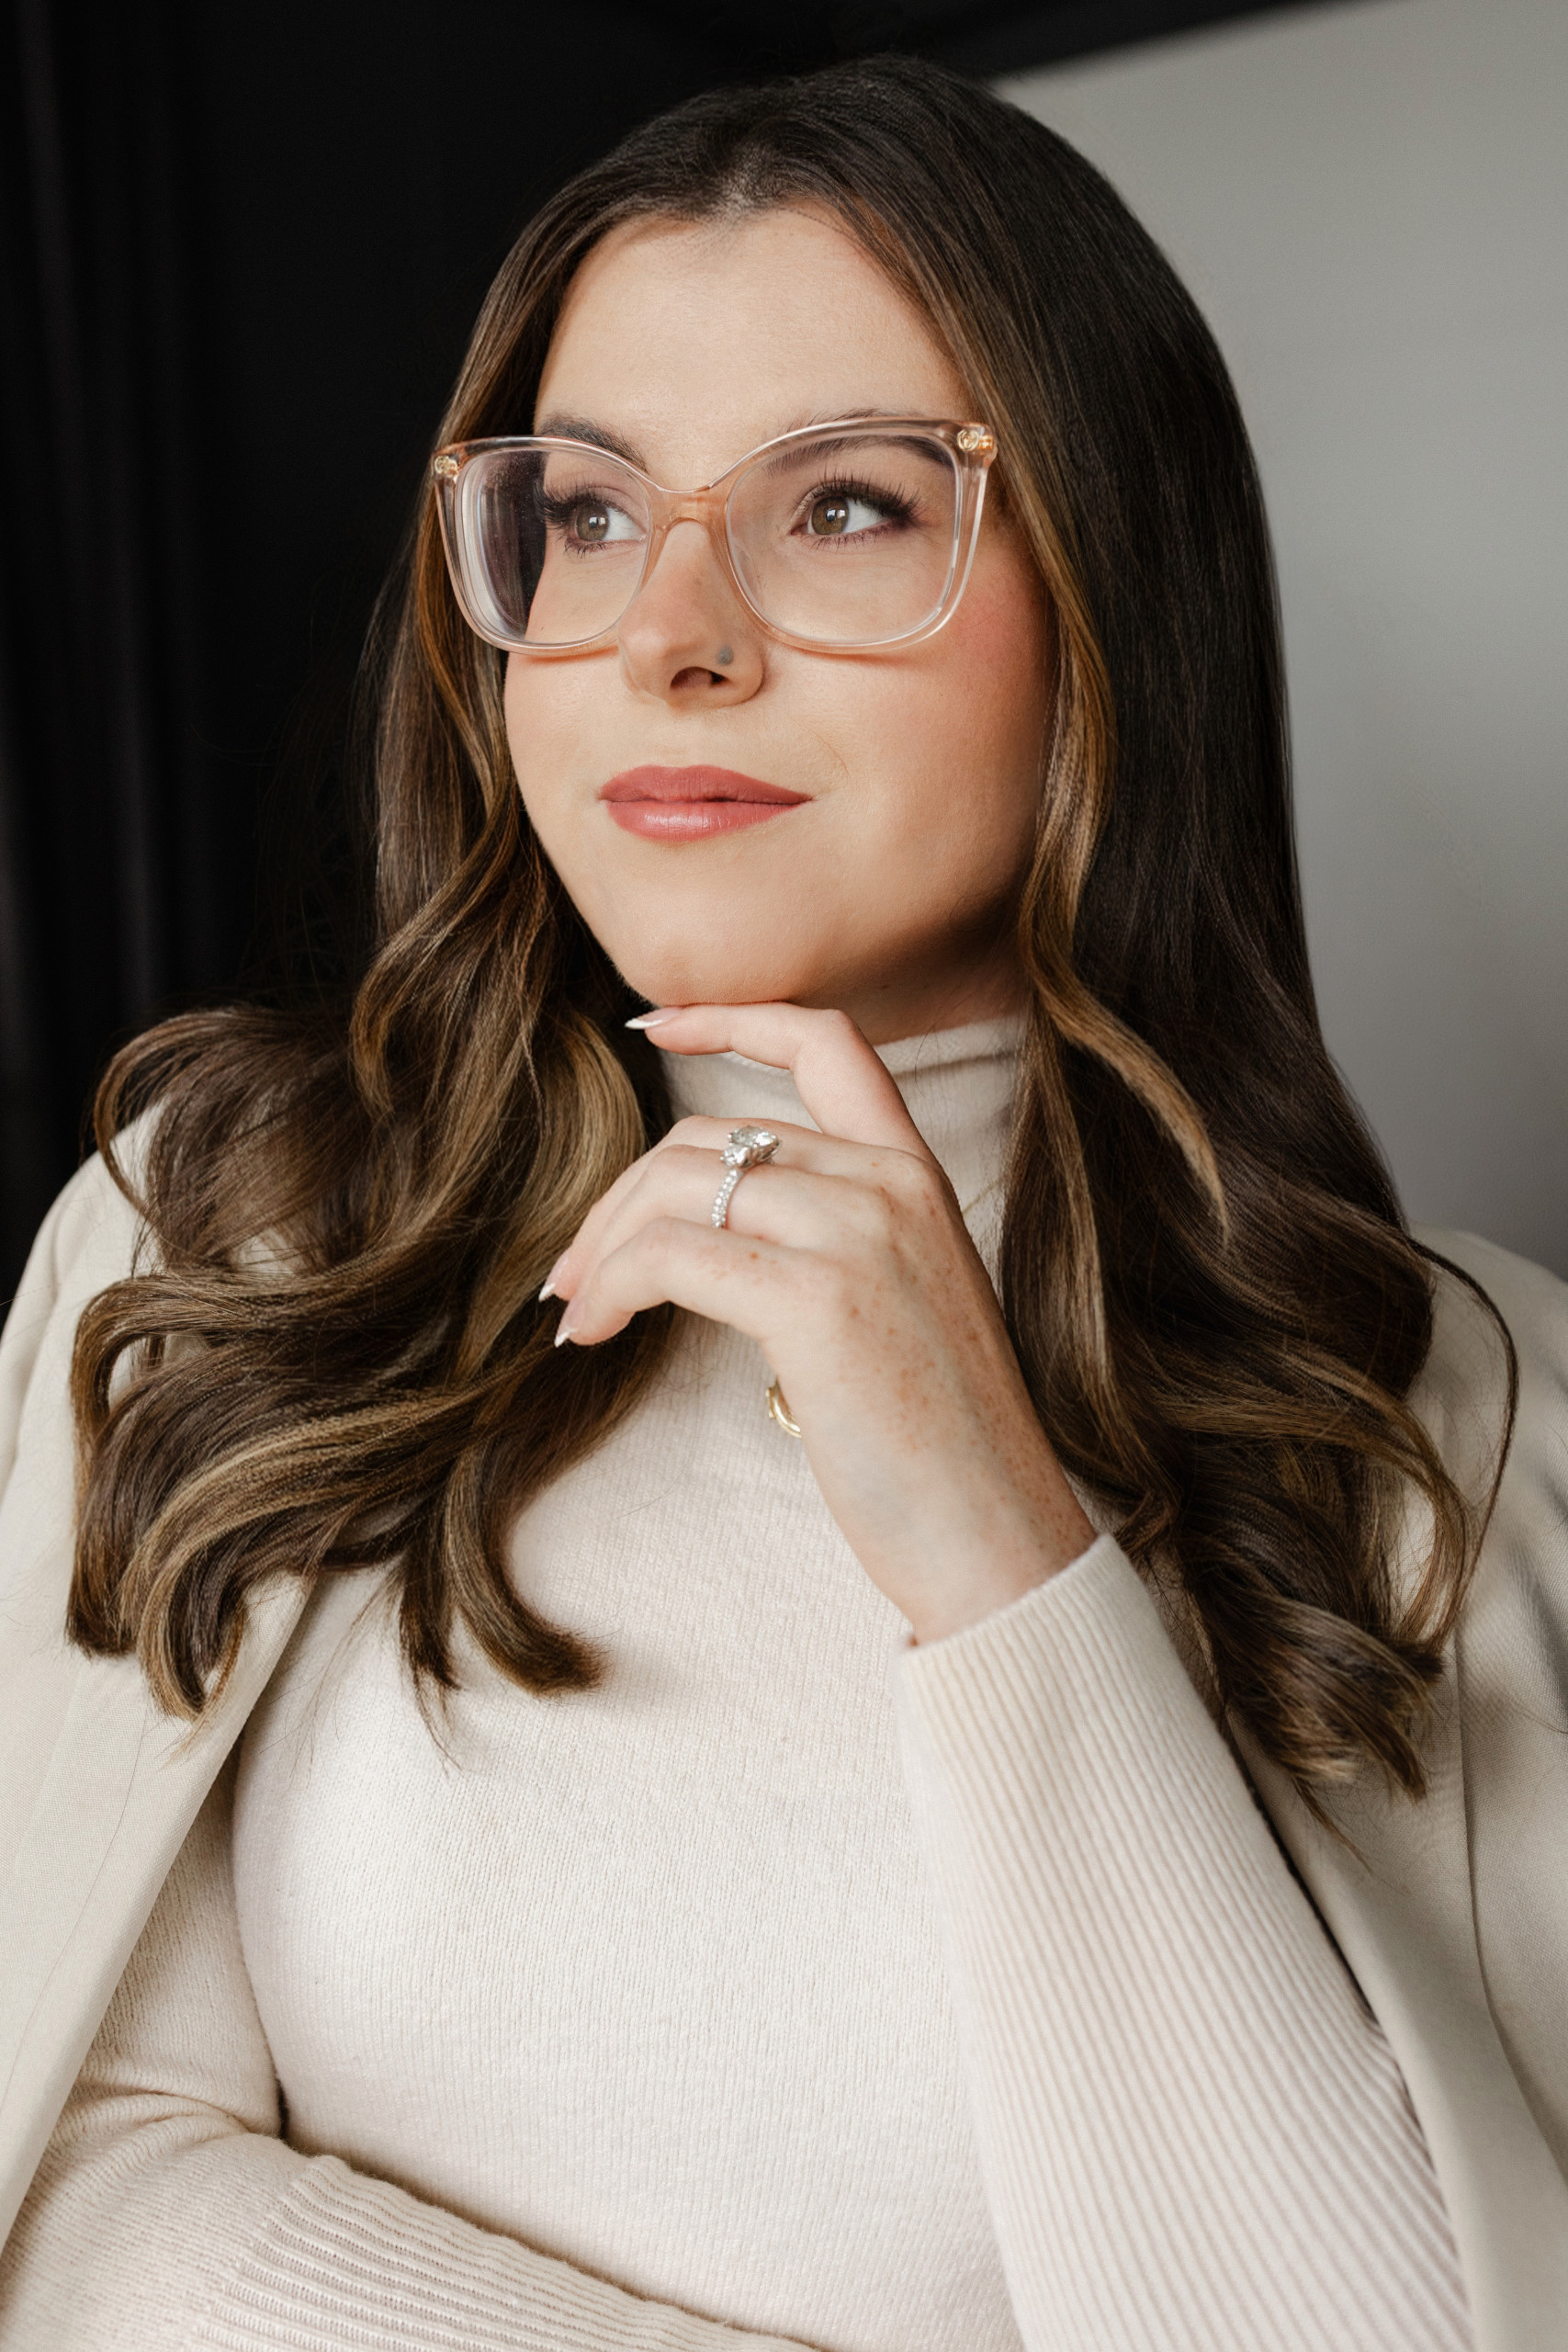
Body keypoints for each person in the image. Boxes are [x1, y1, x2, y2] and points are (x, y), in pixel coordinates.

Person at [1, 52, 1564, 2352]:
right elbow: (66, 2192)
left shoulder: (1472, 1427)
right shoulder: (215, 1247)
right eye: (585, 509)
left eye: (840, 503)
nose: (671, 631)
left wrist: (999, 1548)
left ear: (1113, 594)